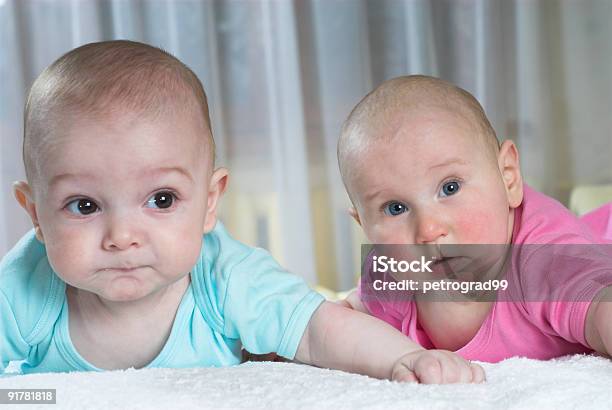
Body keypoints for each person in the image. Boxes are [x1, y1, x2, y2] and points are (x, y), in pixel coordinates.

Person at [0, 42, 483, 383]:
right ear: (36, 214)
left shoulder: (225, 277)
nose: (122, 236)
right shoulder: (23, 289)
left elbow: (318, 329)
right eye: (84, 205)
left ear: (210, 202)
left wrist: (406, 360)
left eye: (161, 200)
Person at [337, 75, 612, 362]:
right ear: (365, 227)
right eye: (395, 208)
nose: (429, 229)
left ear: (508, 177)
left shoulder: (547, 259)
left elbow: (600, 306)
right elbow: (352, 316)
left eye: (449, 188)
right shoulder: (391, 273)